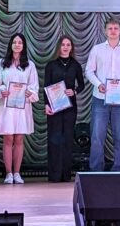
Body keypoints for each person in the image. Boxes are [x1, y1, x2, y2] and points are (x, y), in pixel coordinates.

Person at [85, 18, 120, 172]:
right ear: (105, 31)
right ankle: (96, 170)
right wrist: (98, 84)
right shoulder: (97, 49)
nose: (113, 31)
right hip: (100, 99)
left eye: (116, 28)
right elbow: (89, 71)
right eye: (110, 28)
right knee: (97, 136)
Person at [0, 33, 38, 184]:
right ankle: (8, 173)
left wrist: (29, 92)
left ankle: (17, 173)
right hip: (7, 105)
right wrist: (2, 90)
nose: (17, 45)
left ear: (24, 46)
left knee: (19, 138)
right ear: (10, 44)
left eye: (20, 42)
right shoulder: (2, 63)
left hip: (22, 106)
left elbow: (34, 86)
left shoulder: (30, 65)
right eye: (15, 42)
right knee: (8, 138)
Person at [44, 36, 85, 182]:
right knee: (54, 140)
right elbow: (46, 86)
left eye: (68, 45)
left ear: (71, 47)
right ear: (59, 47)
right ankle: (54, 175)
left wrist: (74, 91)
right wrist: (46, 105)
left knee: (67, 140)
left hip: (70, 108)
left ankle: (66, 174)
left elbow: (82, 85)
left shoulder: (75, 65)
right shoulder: (51, 65)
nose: (66, 47)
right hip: (54, 108)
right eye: (63, 45)